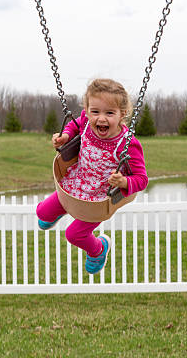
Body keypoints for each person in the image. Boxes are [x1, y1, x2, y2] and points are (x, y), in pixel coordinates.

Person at [36, 78, 148, 274]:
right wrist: (66, 136)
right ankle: (59, 212)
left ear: (122, 114)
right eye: (95, 111)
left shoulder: (128, 143)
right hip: (76, 183)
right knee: (42, 214)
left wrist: (123, 181)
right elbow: (75, 126)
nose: (101, 119)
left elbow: (141, 179)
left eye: (109, 113)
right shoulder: (86, 123)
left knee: (73, 235)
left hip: (99, 198)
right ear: (87, 110)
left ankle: (99, 249)